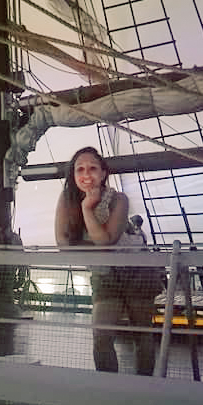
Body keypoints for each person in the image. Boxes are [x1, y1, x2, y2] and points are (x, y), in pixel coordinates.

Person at [55, 147, 157, 378]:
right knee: (101, 335)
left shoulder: (119, 200)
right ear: (72, 175)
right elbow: (62, 244)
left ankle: (145, 398)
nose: (86, 174)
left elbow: (106, 241)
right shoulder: (67, 200)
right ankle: (110, 399)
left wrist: (87, 209)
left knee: (142, 334)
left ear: (103, 173)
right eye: (79, 169)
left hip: (137, 273)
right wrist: (83, 209)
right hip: (104, 274)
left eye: (92, 168)